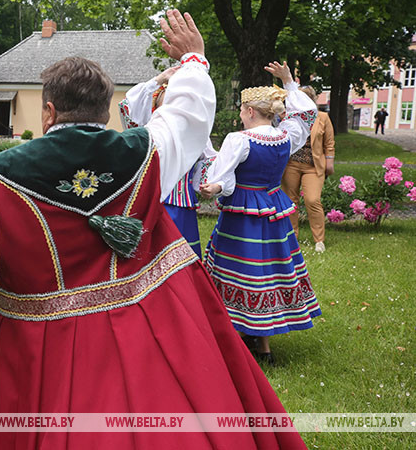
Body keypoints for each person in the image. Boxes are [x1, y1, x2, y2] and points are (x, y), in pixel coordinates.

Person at [0, 10, 306, 449]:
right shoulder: (146, 150)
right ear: (104, 109)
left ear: (50, 111)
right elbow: (187, 117)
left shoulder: (0, 176)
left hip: (46, 344)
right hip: (140, 322)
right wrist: (194, 59)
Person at [200, 62, 321, 364]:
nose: (240, 115)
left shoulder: (239, 139)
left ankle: (235, 339)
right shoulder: (285, 136)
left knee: (240, 269)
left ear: (251, 112)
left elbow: (222, 175)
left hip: (244, 212)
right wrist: (289, 81)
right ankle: (263, 346)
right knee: (268, 268)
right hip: (274, 206)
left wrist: (213, 187)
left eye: (242, 110)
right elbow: (306, 116)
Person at [118, 65, 217, 257]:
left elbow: (209, 159)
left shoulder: (196, 134)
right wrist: (159, 79)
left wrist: (205, 182)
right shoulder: (149, 130)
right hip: (151, 201)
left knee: (181, 253)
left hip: (181, 205)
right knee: (152, 253)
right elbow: (127, 107)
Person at [281, 86, 335, 253]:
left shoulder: (322, 117)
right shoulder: (289, 117)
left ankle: (319, 240)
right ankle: (292, 238)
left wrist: (329, 162)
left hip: (313, 166)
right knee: (290, 202)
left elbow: (329, 143)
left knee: (312, 200)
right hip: (291, 164)